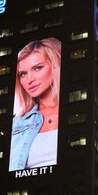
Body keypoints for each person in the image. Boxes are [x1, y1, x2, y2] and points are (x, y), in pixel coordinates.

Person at [9, 37, 61, 171]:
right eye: (22, 74)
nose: (29, 80)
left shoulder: (80, 110)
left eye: (37, 68)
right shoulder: (18, 124)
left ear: (56, 65)